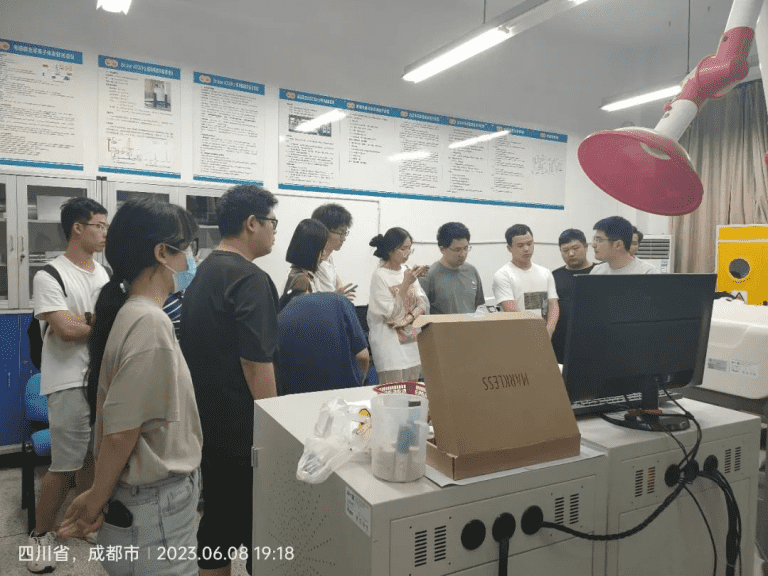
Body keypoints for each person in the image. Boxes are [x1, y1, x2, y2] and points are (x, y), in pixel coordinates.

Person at [57, 199, 203, 576]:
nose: (191, 259)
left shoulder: (133, 312)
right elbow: (122, 432)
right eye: (187, 248)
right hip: (155, 508)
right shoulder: (149, 322)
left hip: (147, 504)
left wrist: (98, 493)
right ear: (162, 253)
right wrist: (96, 498)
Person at [179, 184, 279, 576]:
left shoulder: (203, 270)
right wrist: (274, 432)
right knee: (258, 527)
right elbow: (256, 364)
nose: (275, 231)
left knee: (219, 520)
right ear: (252, 223)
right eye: (272, 223)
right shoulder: (250, 279)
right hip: (243, 431)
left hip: (208, 422)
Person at [27, 197, 109, 574]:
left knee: (91, 458)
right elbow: (63, 329)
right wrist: (96, 323)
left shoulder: (103, 273)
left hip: (101, 380)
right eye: (99, 226)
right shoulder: (50, 275)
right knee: (63, 465)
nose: (105, 233)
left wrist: (84, 321)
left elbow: (89, 324)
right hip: (68, 381)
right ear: (78, 228)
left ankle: (84, 522)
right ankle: (41, 536)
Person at [277, 289, 370, 394]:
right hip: (342, 392)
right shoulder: (340, 302)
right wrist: (361, 382)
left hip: (296, 395)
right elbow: (363, 356)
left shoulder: (281, 316)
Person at [367, 228, 429, 383]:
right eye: (403, 249)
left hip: (413, 344)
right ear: (390, 250)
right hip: (391, 350)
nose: (407, 253)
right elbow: (393, 315)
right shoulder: (380, 275)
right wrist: (406, 284)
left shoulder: (406, 270)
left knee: (413, 392)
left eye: (410, 248)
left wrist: (408, 319)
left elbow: (422, 302)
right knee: (394, 393)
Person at [492, 224, 559, 338]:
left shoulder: (545, 273)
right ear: (509, 248)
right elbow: (511, 310)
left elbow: (553, 305)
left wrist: (549, 330)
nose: (526, 249)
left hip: (544, 337)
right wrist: (533, 336)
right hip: (516, 338)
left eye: (529, 243)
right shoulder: (503, 275)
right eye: (520, 245)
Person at [419, 222, 485, 314]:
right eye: (457, 250)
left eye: (466, 248)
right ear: (442, 249)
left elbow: (479, 305)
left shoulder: (471, 270)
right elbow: (421, 312)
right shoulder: (428, 276)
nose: (463, 254)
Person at [551, 229, 595, 363]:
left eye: (576, 248)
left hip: (594, 341)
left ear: (586, 247)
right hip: (562, 344)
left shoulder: (600, 272)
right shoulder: (554, 276)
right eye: (565, 250)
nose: (571, 253)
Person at [161, 214, 199, 339]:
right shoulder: (157, 305)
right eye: (186, 246)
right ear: (161, 252)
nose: (193, 257)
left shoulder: (175, 291)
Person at [311, 203, 357, 300]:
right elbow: (330, 301)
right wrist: (340, 297)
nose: (343, 238)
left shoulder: (328, 258)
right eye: (341, 233)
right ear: (324, 231)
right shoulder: (318, 264)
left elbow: (336, 279)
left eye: (345, 233)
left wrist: (341, 290)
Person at [591, 216, 658, 274]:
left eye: (599, 240)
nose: (593, 245)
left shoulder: (647, 273)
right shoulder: (597, 271)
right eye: (595, 239)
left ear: (618, 244)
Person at [282, 218, 329, 297]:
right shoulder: (301, 280)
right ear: (310, 250)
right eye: (322, 249)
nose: (324, 253)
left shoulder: (301, 275)